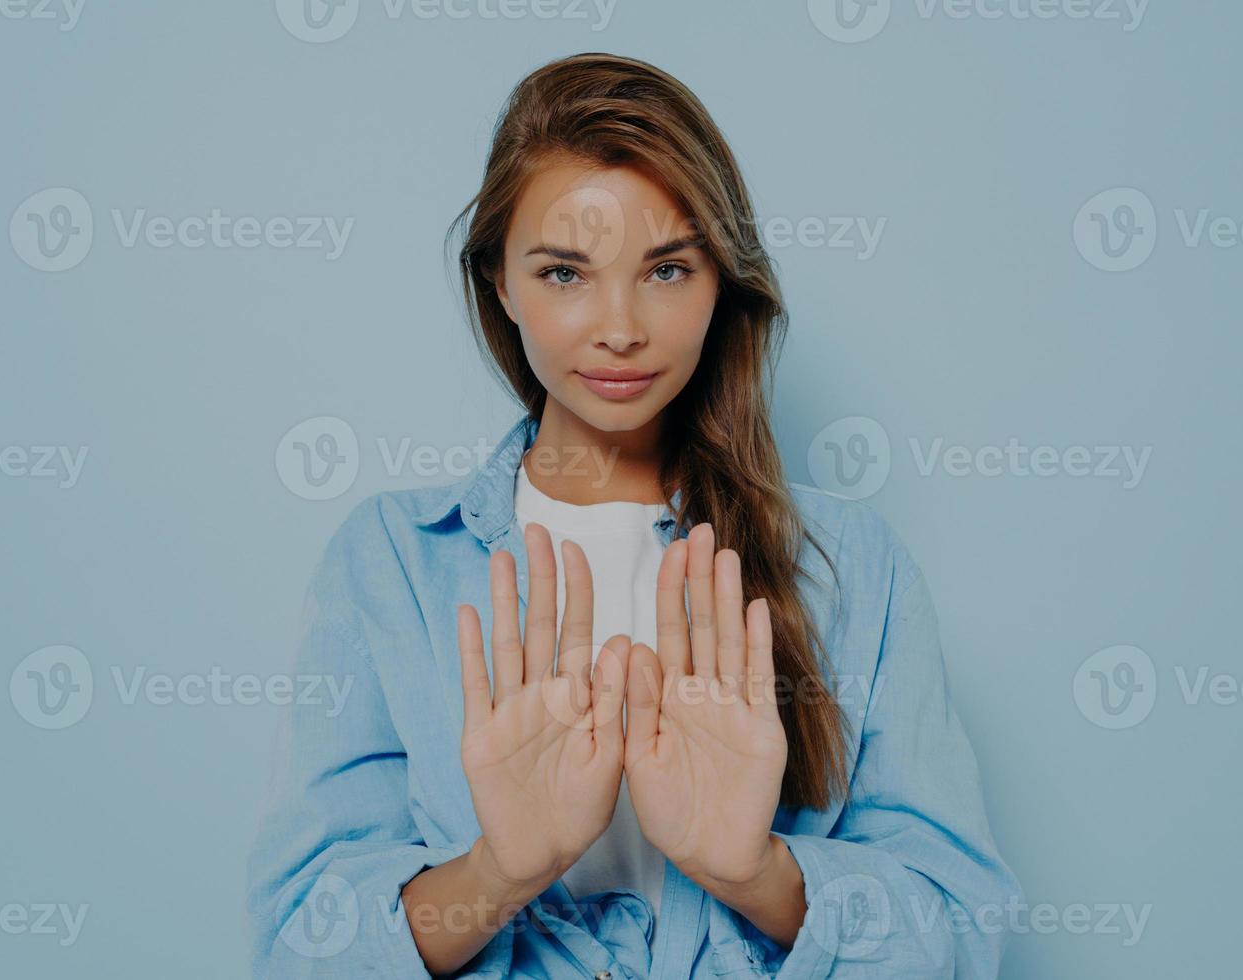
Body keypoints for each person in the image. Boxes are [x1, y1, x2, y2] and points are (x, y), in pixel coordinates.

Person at [245, 51, 1022, 979]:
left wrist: (754, 872)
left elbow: (962, 935)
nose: (619, 326)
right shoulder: (392, 562)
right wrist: (497, 872)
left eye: (665, 269)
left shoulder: (849, 564)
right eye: (564, 273)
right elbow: (298, 945)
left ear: (720, 282)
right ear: (499, 282)